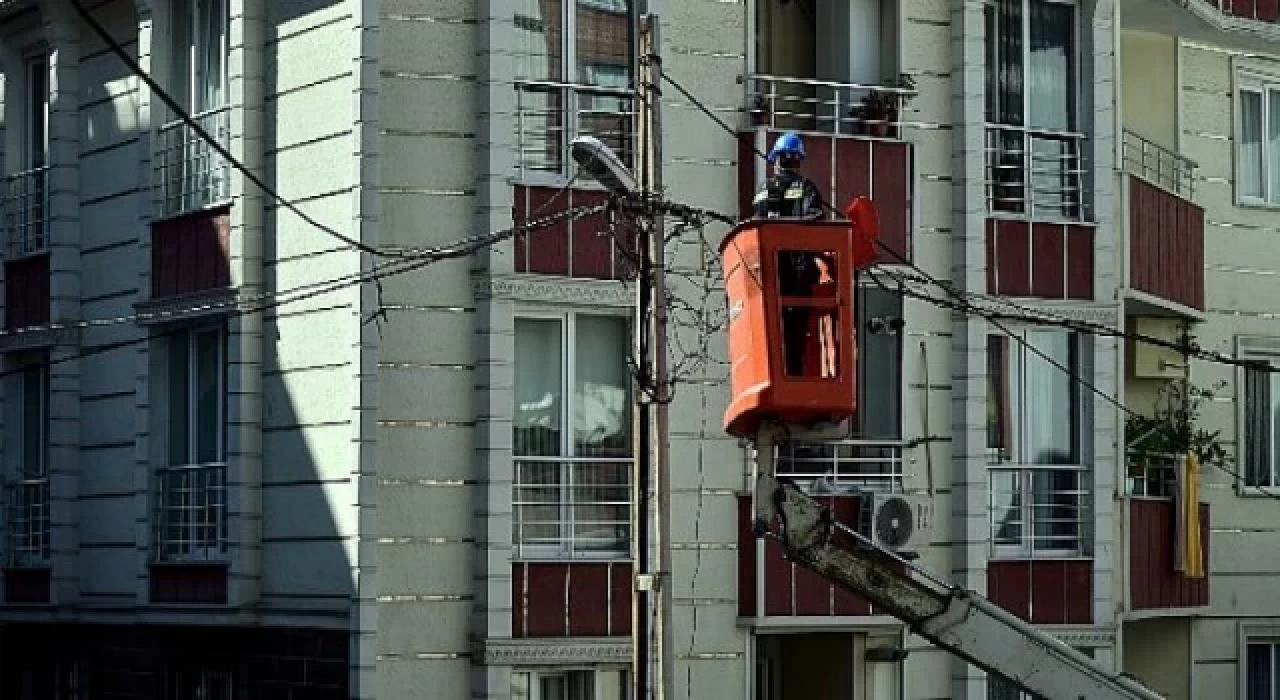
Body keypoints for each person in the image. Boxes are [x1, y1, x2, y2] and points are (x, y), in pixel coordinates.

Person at [752, 131, 826, 220]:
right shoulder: (807, 187)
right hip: (799, 233)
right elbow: (816, 219)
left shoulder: (764, 187)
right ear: (798, 161)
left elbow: (756, 222)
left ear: (777, 159)